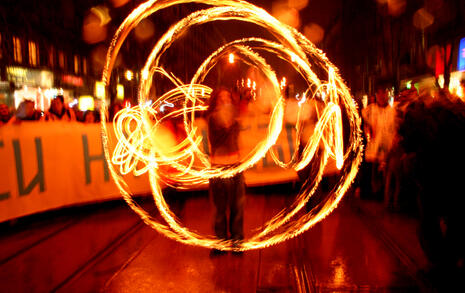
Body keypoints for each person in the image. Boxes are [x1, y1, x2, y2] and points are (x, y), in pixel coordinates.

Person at [206, 87, 245, 256]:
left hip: (236, 166)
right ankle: (221, 243)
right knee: (220, 209)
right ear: (215, 102)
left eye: (227, 97)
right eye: (221, 98)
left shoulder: (233, 116)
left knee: (237, 207)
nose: (225, 100)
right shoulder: (214, 118)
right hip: (219, 169)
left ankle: (237, 242)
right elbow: (226, 121)